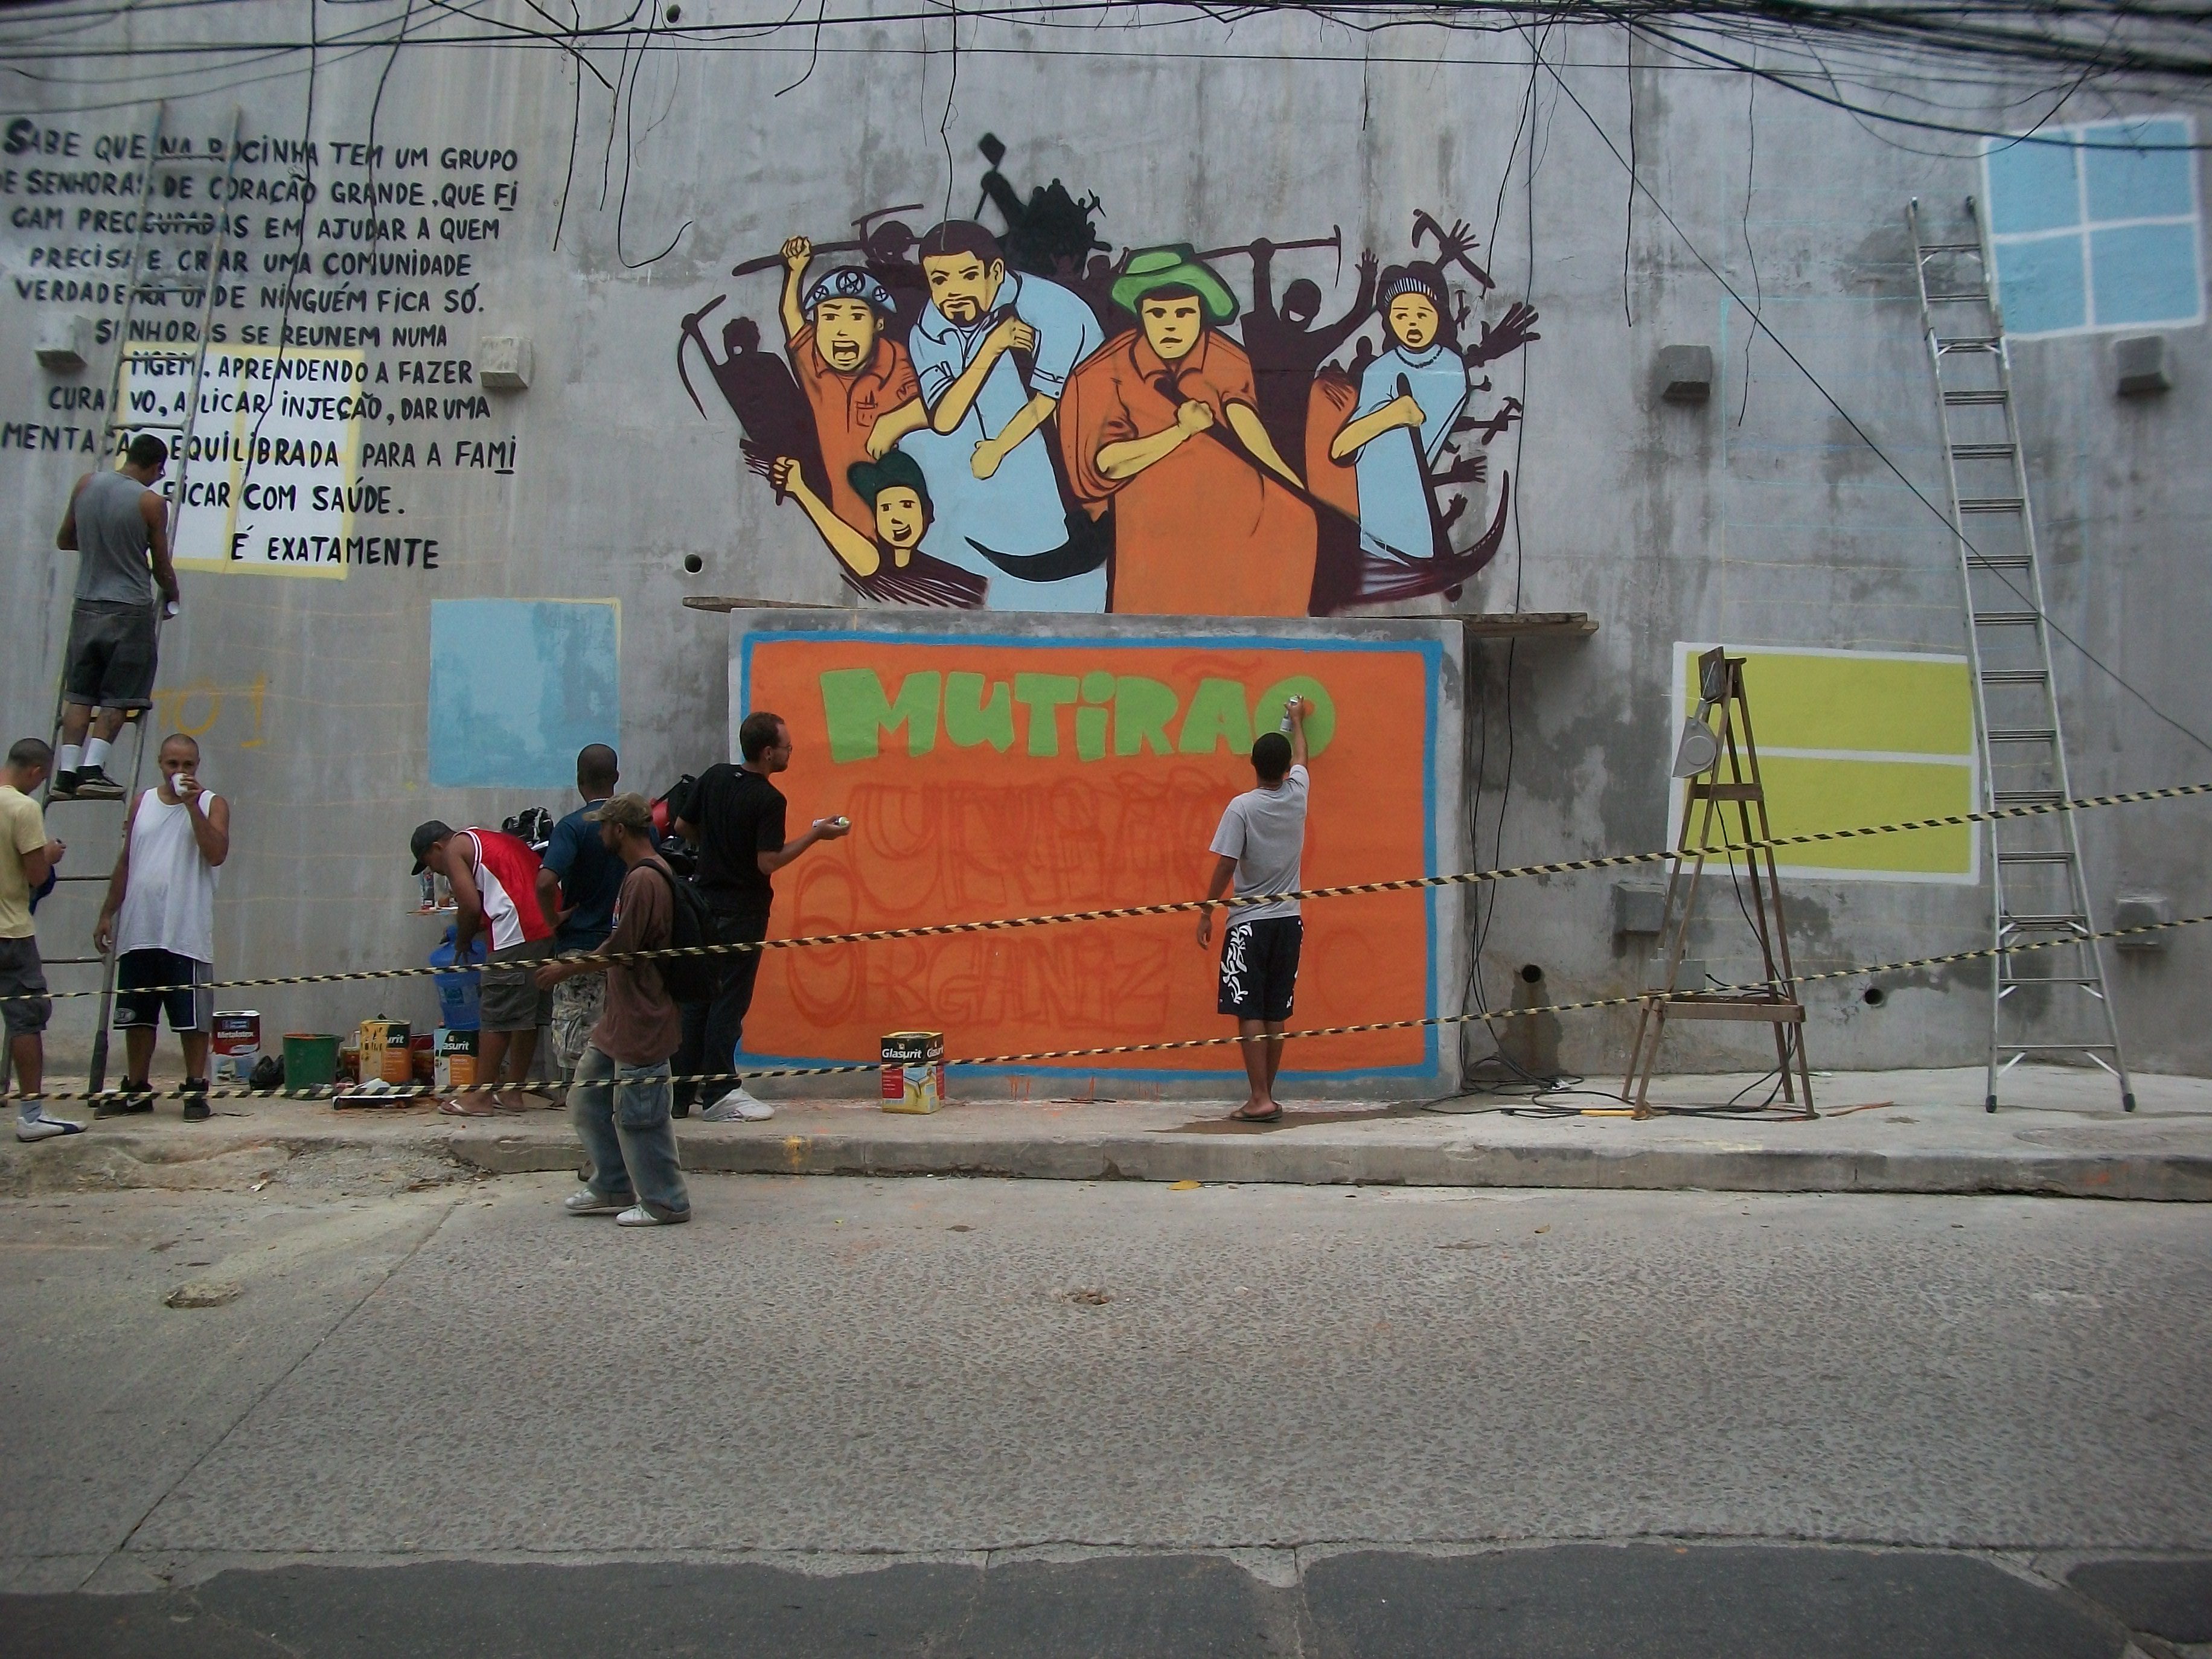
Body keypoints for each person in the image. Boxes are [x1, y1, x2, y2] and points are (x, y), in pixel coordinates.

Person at [1059, 244, 1317, 616]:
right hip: (1155, 535)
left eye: (1184, 313)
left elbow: (1246, 422)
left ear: (1201, 312)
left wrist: (1295, 490)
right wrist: (1180, 432)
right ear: (1140, 314)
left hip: (1235, 524)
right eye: (1158, 313)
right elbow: (1108, 464)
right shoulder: (1102, 372)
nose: (1171, 325)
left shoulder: (1226, 354)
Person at [902, 220, 1107, 612]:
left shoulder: (1052, 310)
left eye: (966, 276)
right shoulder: (932, 325)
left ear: (994, 272)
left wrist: (997, 449)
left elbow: (1046, 404)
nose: (952, 291)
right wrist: (991, 347)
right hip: (996, 492)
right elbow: (944, 418)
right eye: (940, 280)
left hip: (1072, 453)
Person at [673, 710, 851, 1122]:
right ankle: (719, 1092)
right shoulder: (769, 799)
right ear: (769, 752)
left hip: (702, 905)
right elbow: (768, 862)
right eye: (787, 747)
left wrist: (715, 846)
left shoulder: (715, 777)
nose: (791, 753)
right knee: (728, 1003)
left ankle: (680, 1095)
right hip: (742, 912)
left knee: (697, 1001)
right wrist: (815, 835)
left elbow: (683, 824)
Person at [535, 794, 690, 1226]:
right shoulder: (635, 875)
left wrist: (568, 967)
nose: (600, 832)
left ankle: (666, 1201)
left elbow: (621, 948)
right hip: (620, 1017)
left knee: (641, 1112)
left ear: (619, 830)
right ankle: (612, 1183)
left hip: (643, 1016)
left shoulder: (645, 879)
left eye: (603, 826)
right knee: (587, 1097)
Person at [92, 734, 230, 1121]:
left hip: (184, 929)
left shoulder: (211, 803)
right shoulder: (143, 802)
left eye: (188, 765)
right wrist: (107, 912)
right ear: (161, 763)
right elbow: (127, 860)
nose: (180, 772)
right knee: (137, 1016)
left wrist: (192, 808)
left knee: (191, 1018)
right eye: (173, 764)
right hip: (141, 927)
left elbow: (217, 853)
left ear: (197, 766)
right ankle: (137, 1088)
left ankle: (195, 1088)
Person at [1195, 697, 1313, 1124]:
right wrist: (1296, 721)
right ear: (1285, 769)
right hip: (1289, 921)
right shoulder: (1298, 795)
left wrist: (1207, 910)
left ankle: (1259, 1098)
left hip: (1248, 925)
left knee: (1249, 1009)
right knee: (1276, 1011)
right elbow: (1303, 756)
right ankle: (1267, 1095)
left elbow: (1227, 864)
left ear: (1253, 765)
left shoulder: (1242, 807)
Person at [53, 435, 179, 801]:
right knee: (120, 695)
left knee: (79, 693)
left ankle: (66, 772)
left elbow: (65, 539)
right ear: (156, 467)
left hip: (86, 604)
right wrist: (173, 594)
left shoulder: (85, 485)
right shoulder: (151, 503)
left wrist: (101, 546)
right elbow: (160, 563)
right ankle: (92, 768)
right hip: (128, 609)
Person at [776, 238, 930, 537]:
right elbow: (791, 316)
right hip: (843, 516)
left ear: (878, 325)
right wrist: (795, 271)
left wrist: (896, 421)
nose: (842, 330)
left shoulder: (895, 363)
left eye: (857, 316)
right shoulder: (816, 364)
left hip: (894, 519)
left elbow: (937, 405)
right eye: (830, 316)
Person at [410, 818, 552, 1115]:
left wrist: (462, 941)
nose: (436, 871)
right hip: (545, 928)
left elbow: (470, 906)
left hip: (514, 933)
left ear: (437, 847)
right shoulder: (492, 840)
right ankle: (513, 1092)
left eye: (430, 864)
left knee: (496, 1013)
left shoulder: (455, 849)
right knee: (526, 1016)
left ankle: (480, 1098)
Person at [767, 450, 987, 608]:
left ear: (926, 512)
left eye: (907, 505)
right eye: (886, 508)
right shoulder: (874, 562)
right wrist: (799, 489)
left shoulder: (955, 579)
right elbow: (855, 550)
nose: (896, 519)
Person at [537, 744, 626, 1085]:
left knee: (580, 1050)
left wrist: (553, 918)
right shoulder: (640, 828)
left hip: (581, 948)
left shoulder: (574, 827)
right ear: (616, 777)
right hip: (627, 948)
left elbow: (545, 882)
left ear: (579, 779)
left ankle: (584, 1107)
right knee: (622, 1042)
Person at [2, 739, 77, 1142]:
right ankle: (31, 1114)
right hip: (11, 930)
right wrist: (47, 855)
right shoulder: (23, 808)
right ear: (35, 771)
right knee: (26, 1020)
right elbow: (35, 875)